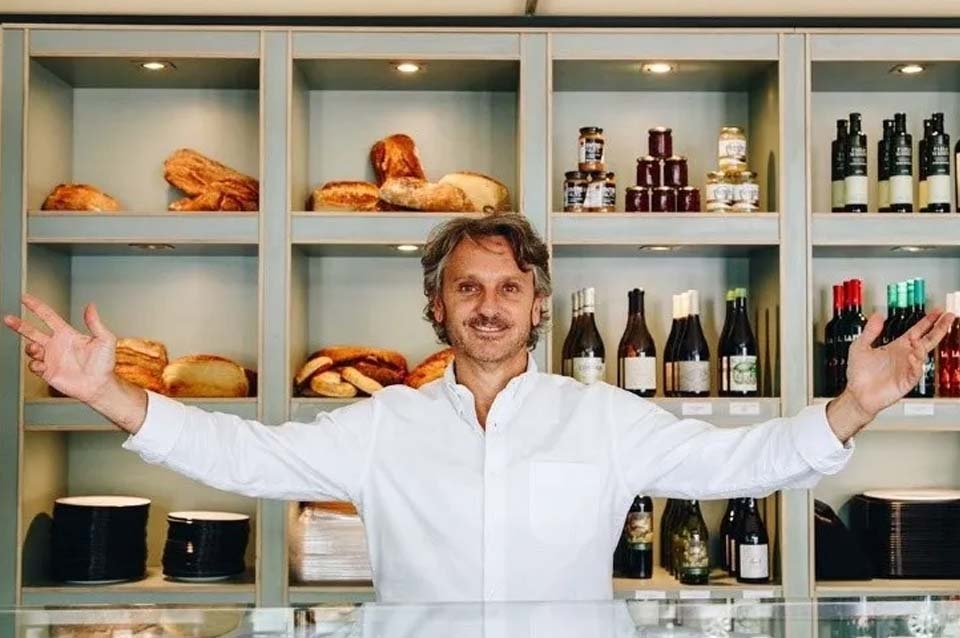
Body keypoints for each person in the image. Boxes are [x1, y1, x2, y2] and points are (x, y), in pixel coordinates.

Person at [3, 213, 954, 603]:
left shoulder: (601, 417)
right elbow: (243, 455)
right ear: (437, 306)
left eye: (508, 288)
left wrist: (853, 406)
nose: (488, 305)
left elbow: (738, 463)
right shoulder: (384, 424)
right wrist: (109, 393)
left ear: (539, 306)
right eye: (467, 287)